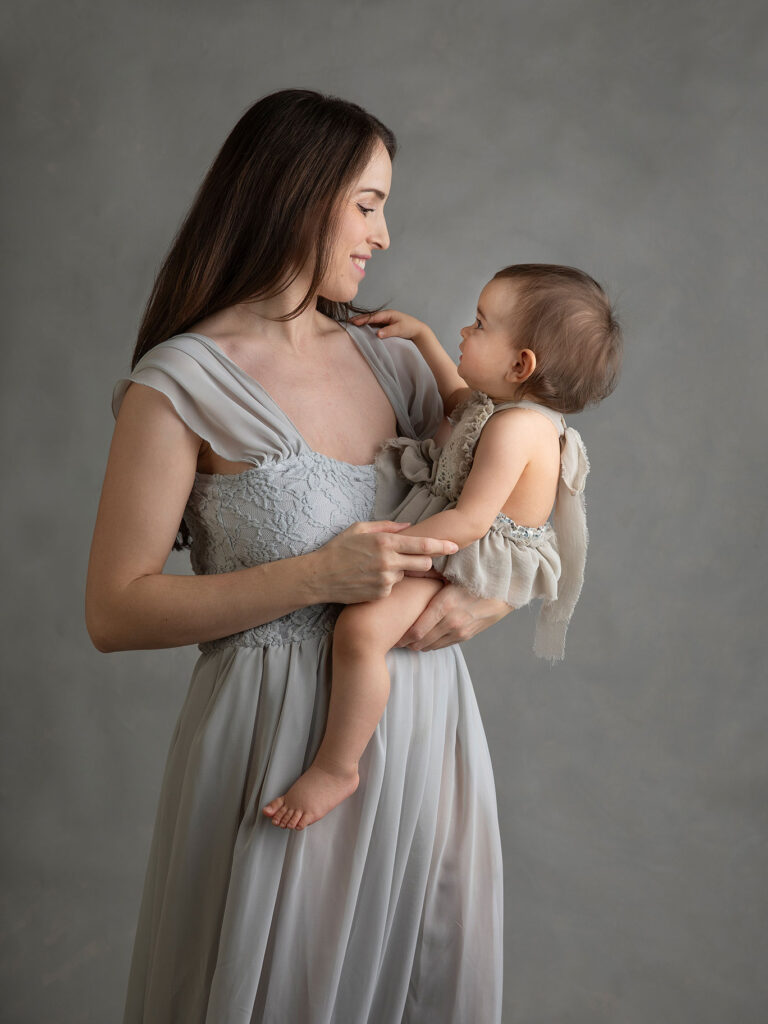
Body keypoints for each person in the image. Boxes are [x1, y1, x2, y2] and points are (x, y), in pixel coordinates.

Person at [86, 88, 509, 1023]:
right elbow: (114, 612)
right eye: (367, 203)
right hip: (275, 754)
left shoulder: (394, 365)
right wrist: (314, 578)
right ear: (295, 193)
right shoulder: (181, 383)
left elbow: (514, 501)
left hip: (425, 736)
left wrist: (491, 602)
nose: (385, 235)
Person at [263, 264, 622, 832]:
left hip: (466, 555)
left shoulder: (518, 430)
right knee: (361, 623)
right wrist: (424, 337)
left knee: (360, 633)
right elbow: (459, 403)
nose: (464, 331)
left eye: (479, 325)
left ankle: (337, 767)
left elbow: (473, 521)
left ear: (521, 364)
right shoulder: (497, 406)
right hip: (452, 534)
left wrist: (395, 547)